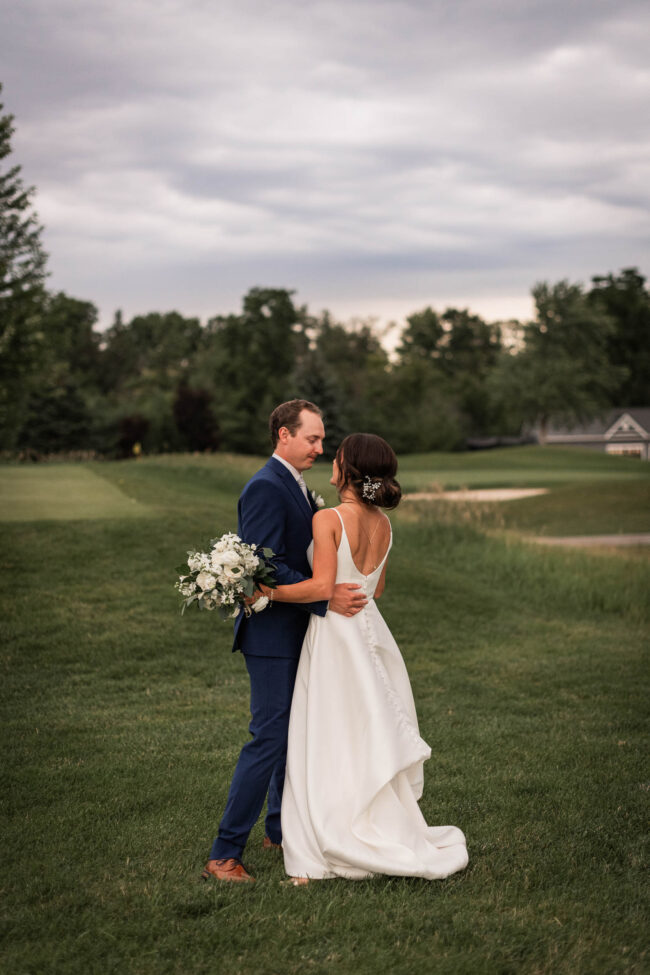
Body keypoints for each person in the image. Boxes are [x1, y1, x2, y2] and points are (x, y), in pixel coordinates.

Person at [267, 433, 469, 883]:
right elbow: (376, 589)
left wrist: (266, 591)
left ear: (349, 469)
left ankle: (334, 829)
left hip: (336, 636)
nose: (330, 460)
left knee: (329, 730)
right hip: (371, 632)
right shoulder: (384, 523)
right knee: (361, 729)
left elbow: (322, 588)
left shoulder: (329, 518)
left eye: (337, 456)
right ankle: (372, 817)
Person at [202, 400, 367, 884]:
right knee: (269, 737)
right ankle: (224, 853)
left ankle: (279, 830)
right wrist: (323, 593)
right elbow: (264, 565)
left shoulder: (294, 484)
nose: (320, 447)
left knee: (292, 734)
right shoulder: (265, 486)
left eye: (322, 440)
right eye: (312, 438)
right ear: (283, 435)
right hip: (271, 633)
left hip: (296, 627)